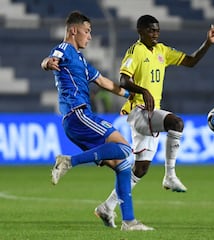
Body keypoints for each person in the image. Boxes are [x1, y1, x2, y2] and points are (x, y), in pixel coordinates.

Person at [93, 14, 214, 228]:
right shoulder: (135, 51)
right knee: (176, 123)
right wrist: (142, 90)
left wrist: (208, 43)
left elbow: (190, 61)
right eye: (151, 30)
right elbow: (123, 80)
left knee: (140, 169)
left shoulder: (162, 50)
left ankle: (106, 207)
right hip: (138, 112)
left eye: (157, 30)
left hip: (151, 113)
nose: (155, 34)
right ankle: (170, 175)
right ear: (140, 31)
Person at [40, 11, 153, 231]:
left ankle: (127, 220)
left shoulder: (81, 60)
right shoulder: (65, 50)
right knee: (125, 150)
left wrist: (130, 95)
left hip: (77, 119)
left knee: (123, 165)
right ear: (74, 30)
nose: (90, 36)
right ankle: (68, 162)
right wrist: (48, 63)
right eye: (87, 31)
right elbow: (50, 59)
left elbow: (102, 81)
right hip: (78, 114)